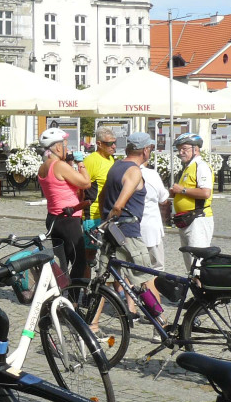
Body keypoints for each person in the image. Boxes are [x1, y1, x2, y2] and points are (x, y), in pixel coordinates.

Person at [100, 131, 161, 310]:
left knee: (102, 281)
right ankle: (162, 324)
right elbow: (119, 206)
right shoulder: (134, 171)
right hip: (128, 233)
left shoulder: (116, 166)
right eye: (150, 148)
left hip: (111, 233)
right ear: (145, 150)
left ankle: (93, 325)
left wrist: (104, 223)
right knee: (146, 280)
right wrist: (108, 221)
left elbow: (103, 195)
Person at [37, 127, 91, 280]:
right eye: (65, 145)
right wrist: (81, 164)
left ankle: (58, 296)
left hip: (54, 218)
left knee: (62, 263)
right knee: (79, 262)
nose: (66, 149)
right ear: (59, 147)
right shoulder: (59, 166)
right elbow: (85, 183)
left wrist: (70, 164)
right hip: (68, 218)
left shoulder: (43, 167)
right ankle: (72, 301)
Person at [169, 133, 214, 272]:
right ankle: (197, 290)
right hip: (186, 219)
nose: (181, 152)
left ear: (196, 149)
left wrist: (182, 190)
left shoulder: (201, 166)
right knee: (190, 266)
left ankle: (204, 291)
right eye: (179, 149)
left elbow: (206, 192)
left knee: (198, 265)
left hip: (198, 220)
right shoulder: (188, 167)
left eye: (184, 149)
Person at [140, 156, 170, 272]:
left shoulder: (119, 169)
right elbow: (163, 198)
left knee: (132, 269)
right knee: (156, 267)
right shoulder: (150, 174)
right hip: (149, 226)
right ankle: (152, 290)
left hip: (128, 228)